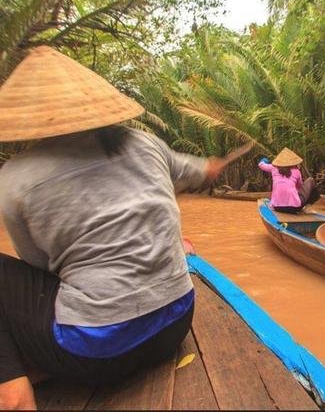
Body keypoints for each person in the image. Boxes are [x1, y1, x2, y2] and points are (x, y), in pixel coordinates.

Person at [0, 46, 244, 410]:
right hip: (175, 325)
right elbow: (193, 170)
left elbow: (37, 265)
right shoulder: (145, 143)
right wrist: (209, 167)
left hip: (96, 355)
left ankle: (13, 392)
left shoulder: (14, 178)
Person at [258, 148, 319, 214]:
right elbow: (300, 187)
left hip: (277, 207)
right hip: (294, 208)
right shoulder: (296, 171)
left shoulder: (274, 168)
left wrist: (264, 160)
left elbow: (261, 165)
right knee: (311, 180)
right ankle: (307, 208)